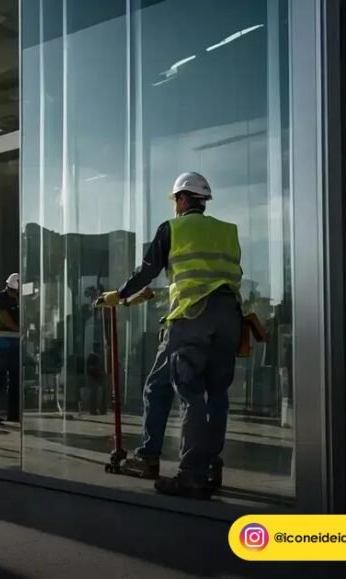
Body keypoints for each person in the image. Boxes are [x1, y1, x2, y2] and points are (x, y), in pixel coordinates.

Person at [99, 172, 242, 499]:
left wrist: (119, 295)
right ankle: (210, 465)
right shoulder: (227, 232)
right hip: (230, 317)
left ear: (181, 199)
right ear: (202, 201)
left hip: (192, 319)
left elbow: (149, 269)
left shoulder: (173, 228)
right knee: (215, 393)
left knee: (173, 388)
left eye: (175, 200)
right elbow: (210, 277)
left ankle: (169, 466)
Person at [0, 273, 21, 425]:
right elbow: (5, 319)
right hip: (2, 343)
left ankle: (13, 415)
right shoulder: (1, 299)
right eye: (15, 292)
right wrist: (19, 329)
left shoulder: (16, 298)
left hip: (14, 343)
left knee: (15, 379)